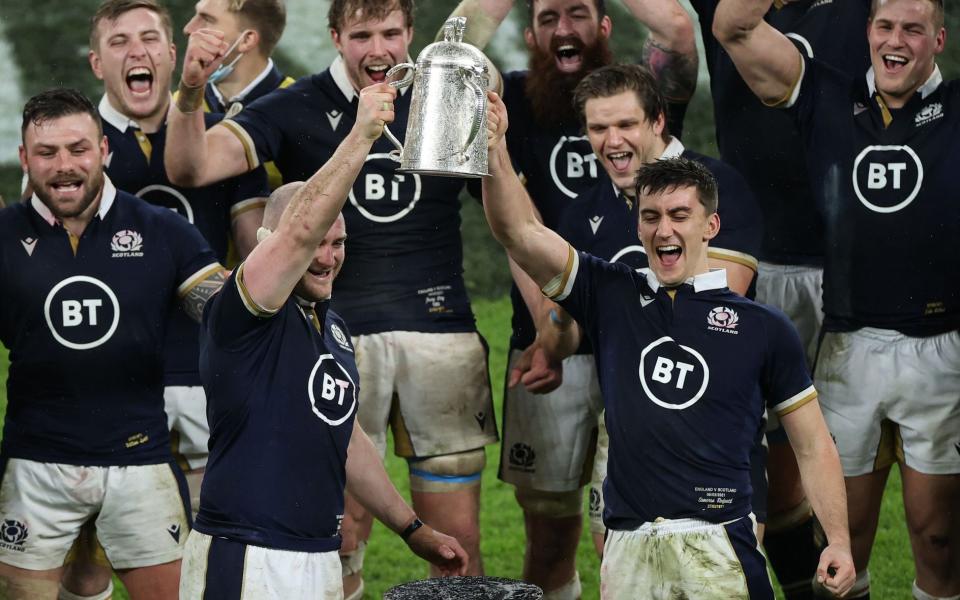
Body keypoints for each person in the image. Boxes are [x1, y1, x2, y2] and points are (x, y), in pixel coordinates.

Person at [163, 0, 498, 595]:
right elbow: (297, 230)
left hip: (310, 555)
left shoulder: (330, 329)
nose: (328, 254)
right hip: (250, 556)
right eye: (319, 241)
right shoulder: (243, 311)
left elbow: (341, 434)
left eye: (339, 242)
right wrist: (362, 135)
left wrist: (412, 527)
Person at [482, 94, 856, 597]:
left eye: (680, 215)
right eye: (651, 216)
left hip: (719, 544)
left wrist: (837, 540)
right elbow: (518, 231)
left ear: (711, 226)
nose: (664, 230)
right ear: (637, 226)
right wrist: (494, 150)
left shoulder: (764, 328)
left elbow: (813, 445)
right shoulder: (609, 294)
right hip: (628, 544)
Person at [442, 0, 698, 595]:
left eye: (580, 13)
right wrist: (548, 331)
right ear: (529, 32)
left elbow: (679, 30)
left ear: (606, 27)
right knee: (550, 534)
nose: (565, 29)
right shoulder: (508, 100)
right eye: (550, 16)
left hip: (647, 343)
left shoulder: (639, 96)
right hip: (547, 340)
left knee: (635, 528)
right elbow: (518, 230)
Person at [714, 0, 960, 597]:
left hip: (945, 348)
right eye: (883, 25)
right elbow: (732, 26)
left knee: (939, 539)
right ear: (867, 32)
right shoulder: (824, 95)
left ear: (939, 39)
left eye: (912, 28)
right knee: (839, 551)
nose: (894, 40)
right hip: (848, 345)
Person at [57, 3, 271, 598]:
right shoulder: (67, 148)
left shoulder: (227, 133)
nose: (138, 52)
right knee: (88, 566)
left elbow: (256, 255)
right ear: (98, 62)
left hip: (209, 378)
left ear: (172, 54)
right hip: (110, 384)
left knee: (214, 555)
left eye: (151, 38)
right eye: (120, 42)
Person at [0, 88, 228, 600]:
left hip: (138, 460)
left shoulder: (163, 230)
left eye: (78, 149)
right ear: (24, 159)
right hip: (35, 463)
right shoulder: (3, 236)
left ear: (104, 151)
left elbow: (226, 314)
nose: (64, 166)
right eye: (47, 152)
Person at [532, 61, 763, 559]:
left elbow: (720, 312)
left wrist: (601, 300)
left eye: (625, 124)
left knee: (717, 582)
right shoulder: (583, 212)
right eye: (598, 128)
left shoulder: (717, 186)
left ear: (658, 120)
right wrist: (562, 316)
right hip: (626, 430)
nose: (612, 141)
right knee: (622, 575)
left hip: (713, 429)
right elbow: (567, 336)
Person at [685, 1, 870, 595]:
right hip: (753, 257)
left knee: (853, 461)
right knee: (764, 456)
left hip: (857, 265)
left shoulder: (864, 9)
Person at [181, 0, 294, 190]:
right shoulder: (179, 107)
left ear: (246, 40)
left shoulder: (301, 108)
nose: (189, 29)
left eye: (207, 20)